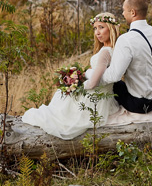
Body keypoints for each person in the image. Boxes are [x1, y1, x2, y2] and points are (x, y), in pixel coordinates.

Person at [21, 12, 120, 140]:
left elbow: (93, 83)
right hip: (101, 93)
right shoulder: (109, 49)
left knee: (62, 101)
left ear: (111, 28)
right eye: (95, 28)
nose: (97, 32)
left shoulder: (105, 52)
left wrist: (76, 87)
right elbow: (94, 73)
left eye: (101, 27)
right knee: (61, 96)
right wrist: (78, 77)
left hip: (96, 96)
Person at [99, 0, 152, 114]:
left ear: (132, 12)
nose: (122, 14)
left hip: (140, 104)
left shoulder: (126, 39)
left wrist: (91, 76)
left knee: (114, 83)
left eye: (124, 10)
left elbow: (114, 76)